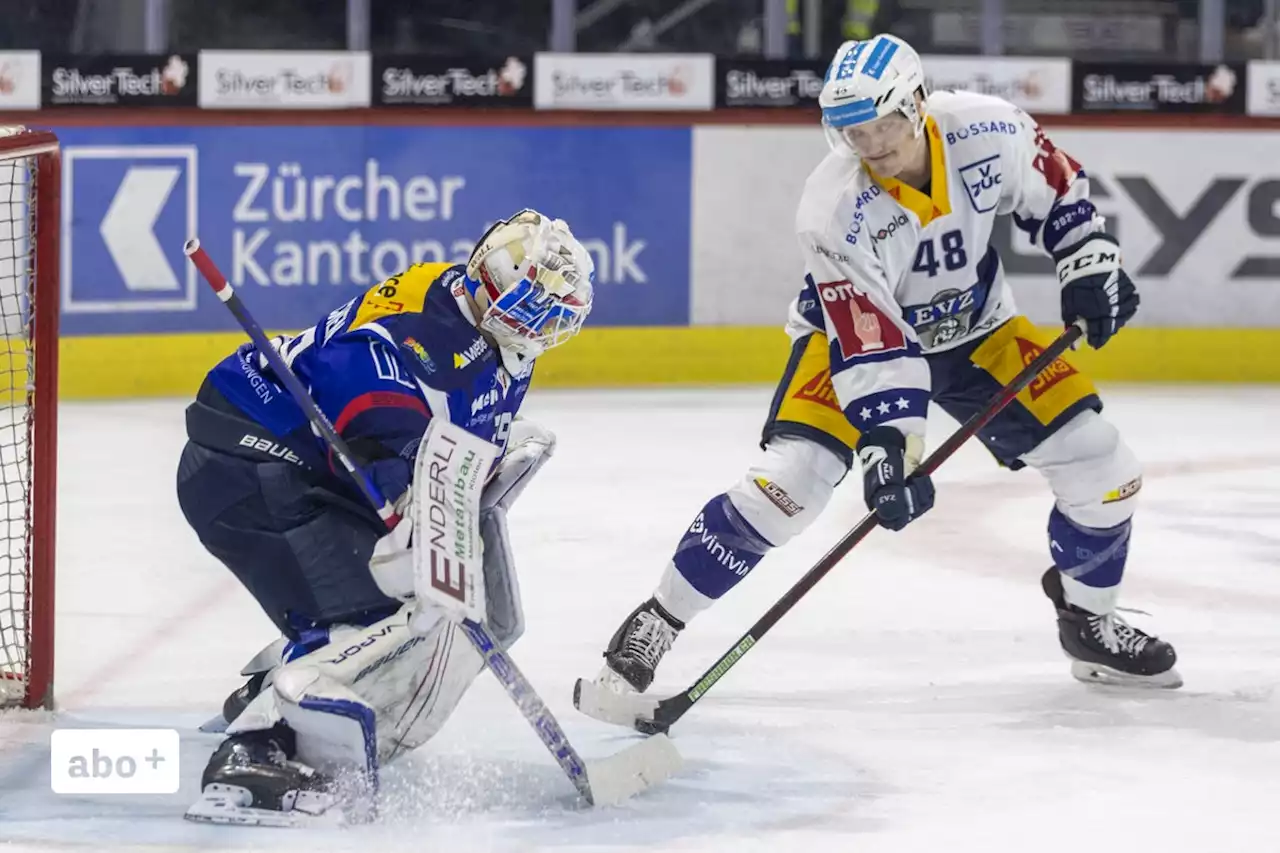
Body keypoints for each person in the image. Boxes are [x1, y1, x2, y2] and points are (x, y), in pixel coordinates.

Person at [577, 34, 1179, 724]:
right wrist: (892, 449)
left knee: (1103, 464)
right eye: (854, 131)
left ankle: (1090, 622)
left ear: (916, 103)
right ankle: (660, 619)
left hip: (980, 331)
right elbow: (873, 341)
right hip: (849, 343)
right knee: (791, 483)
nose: (871, 143)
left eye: (884, 124)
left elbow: (1060, 189)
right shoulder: (831, 206)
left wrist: (1089, 262)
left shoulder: (987, 127)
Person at [176, 210, 594, 825]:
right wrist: (400, 499)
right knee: (380, 619)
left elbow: (442, 433)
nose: (546, 327)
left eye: (557, 316)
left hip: (305, 470)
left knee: (418, 609)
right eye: (537, 308)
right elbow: (358, 385)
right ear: (495, 284)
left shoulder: (498, 336)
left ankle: (276, 690)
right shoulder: (435, 323)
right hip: (250, 463)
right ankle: (255, 753)